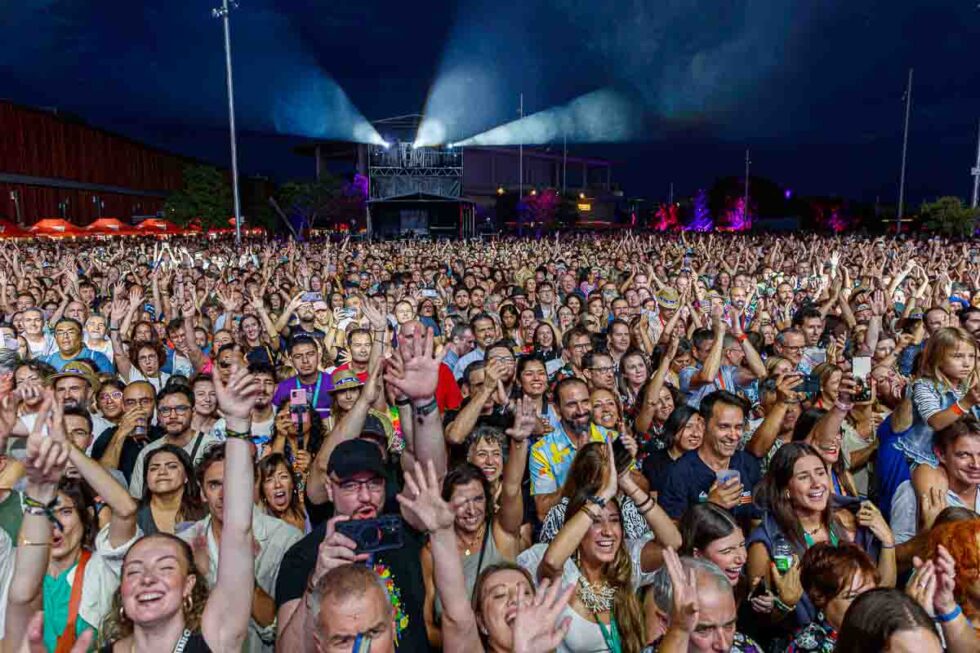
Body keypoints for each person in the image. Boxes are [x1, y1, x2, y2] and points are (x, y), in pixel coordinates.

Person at [95, 361, 260, 652]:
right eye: (133, 571)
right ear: (121, 590)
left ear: (189, 585)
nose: (147, 579)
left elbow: (238, 529)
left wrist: (237, 424)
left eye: (166, 567)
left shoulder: (215, 639)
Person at [5, 391, 139, 650]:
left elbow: (125, 509)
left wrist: (66, 446)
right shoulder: (19, 570)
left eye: (65, 512)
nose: (54, 523)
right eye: (48, 513)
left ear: (86, 517)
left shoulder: (103, 565)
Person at [520, 439, 681, 653]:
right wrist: (603, 494)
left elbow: (673, 542)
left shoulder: (625, 566)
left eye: (614, 520)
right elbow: (551, 560)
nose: (607, 531)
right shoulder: (565, 573)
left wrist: (627, 483)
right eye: (596, 522)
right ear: (578, 528)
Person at [746, 443, 896, 631]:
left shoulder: (852, 519)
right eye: (803, 477)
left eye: (820, 472)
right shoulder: (765, 543)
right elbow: (761, 624)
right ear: (786, 489)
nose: (816, 483)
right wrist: (784, 604)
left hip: (863, 633)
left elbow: (882, 590)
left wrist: (888, 541)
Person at [180, 443, 302, 653]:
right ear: (202, 492)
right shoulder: (185, 544)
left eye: (234, 483)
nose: (225, 494)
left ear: (252, 485)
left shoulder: (285, 540)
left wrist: (244, 577)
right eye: (215, 484)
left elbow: (288, 631)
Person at [658, 391, 762, 522]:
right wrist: (710, 506)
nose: (733, 436)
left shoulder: (748, 464)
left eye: (738, 427)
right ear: (702, 424)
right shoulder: (679, 472)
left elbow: (757, 521)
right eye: (724, 426)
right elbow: (670, 534)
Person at [530, 378, 619, 521]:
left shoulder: (611, 438)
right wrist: (577, 466)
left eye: (585, 402)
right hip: (568, 524)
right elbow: (543, 511)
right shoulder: (542, 450)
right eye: (572, 404)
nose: (581, 410)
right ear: (557, 409)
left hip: (610, 519)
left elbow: (642, 487)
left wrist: (623, 465)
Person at [652, 548, 763, 653]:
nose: (723, 645)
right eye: (703, 630)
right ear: (665, 623)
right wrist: (679, 631)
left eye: (728, 626)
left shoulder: (746, 648)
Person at [129, 386, 221, 499]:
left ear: (193, 412)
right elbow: (137, 498)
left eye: (181, 409)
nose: (173, 416)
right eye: (165, 410)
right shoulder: (148, 452)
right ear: (158, 416)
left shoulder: (212, 448)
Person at [786, 542, 879, 652]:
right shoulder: (808, 647)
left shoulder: (878, 634)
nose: (867, 605)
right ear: (821, 596)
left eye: (870, 595)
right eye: (853, 597)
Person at [135, 445, 206, 536]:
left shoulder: (206, 512)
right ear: (146, 478)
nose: (162, 472)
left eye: (172, 466)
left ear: (186, 476)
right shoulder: (134, 514)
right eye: (154, 468)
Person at [641, 406, 704, 496]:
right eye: (689, 427)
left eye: (700, 427)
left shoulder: (706, 461)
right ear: (674, 429)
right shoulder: (653, 463)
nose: (696, 434)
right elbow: (653, 500)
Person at [256, 453, 307, 532]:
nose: (278, 484)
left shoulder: (308, 511)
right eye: (269, 480)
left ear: (292, 483)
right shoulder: (262, 528)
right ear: (262, 490)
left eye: (283, 476)